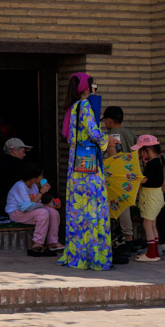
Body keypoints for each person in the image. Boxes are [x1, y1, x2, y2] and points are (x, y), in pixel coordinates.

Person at [58, 73, 118, 271]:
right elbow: (94, 133)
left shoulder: (72, 108)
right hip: (89, 166)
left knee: (79, 211)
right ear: (86, 86)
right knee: (93, 209)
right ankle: (95, 256)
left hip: (76, 166)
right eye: (93, 85)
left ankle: (78, 254)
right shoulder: (84, 106)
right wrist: (107, 141)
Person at [101, 106, 137, 255]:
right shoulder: (130, 134)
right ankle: (128, 238)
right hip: (131, 173)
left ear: (108, 120)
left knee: (122, 208)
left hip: (117, 175)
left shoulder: (110, 135)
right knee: (125, 206)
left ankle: (127, 239)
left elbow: (112, 157)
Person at [5, 163, 63, 256]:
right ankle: (38, 243)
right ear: (33, 179)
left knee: (53, 212)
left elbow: (37, 204)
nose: (42, 177)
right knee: (43, 213)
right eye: (41, 175)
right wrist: (41, 192)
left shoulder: (34, 186)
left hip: (30, 210)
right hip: (16, 212)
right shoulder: (19, 186)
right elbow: (28, 206)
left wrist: (50, 205)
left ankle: (52, 242)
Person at [131, 135, 165, 262]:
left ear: (148, 150)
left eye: (141, 151)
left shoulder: (153, 163)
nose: (140, 154)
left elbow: (145, 179)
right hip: (156, 196)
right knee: (153, 225)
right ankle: (155, 252)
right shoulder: (156, 162)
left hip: (151, 197)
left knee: (147, 224)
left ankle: (151, 254)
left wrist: (134, 180)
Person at [0, 138, 33, 215]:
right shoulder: (18, 164)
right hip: (9, 208)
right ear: (14, 150)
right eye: (23, 152)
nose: (24, 155)